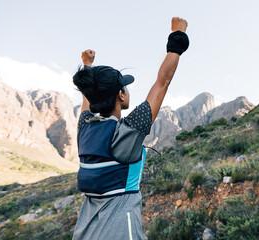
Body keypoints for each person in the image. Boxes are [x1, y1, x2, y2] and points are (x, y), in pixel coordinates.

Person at [72, 17, 189, 240]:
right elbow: (163, 82)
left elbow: (86, 103)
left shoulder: (84, 127)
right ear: (120, 95)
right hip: (119, 231)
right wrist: (178, 36)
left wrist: (88, 66)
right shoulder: (126, 133)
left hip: (86, 230)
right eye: (125, 85)